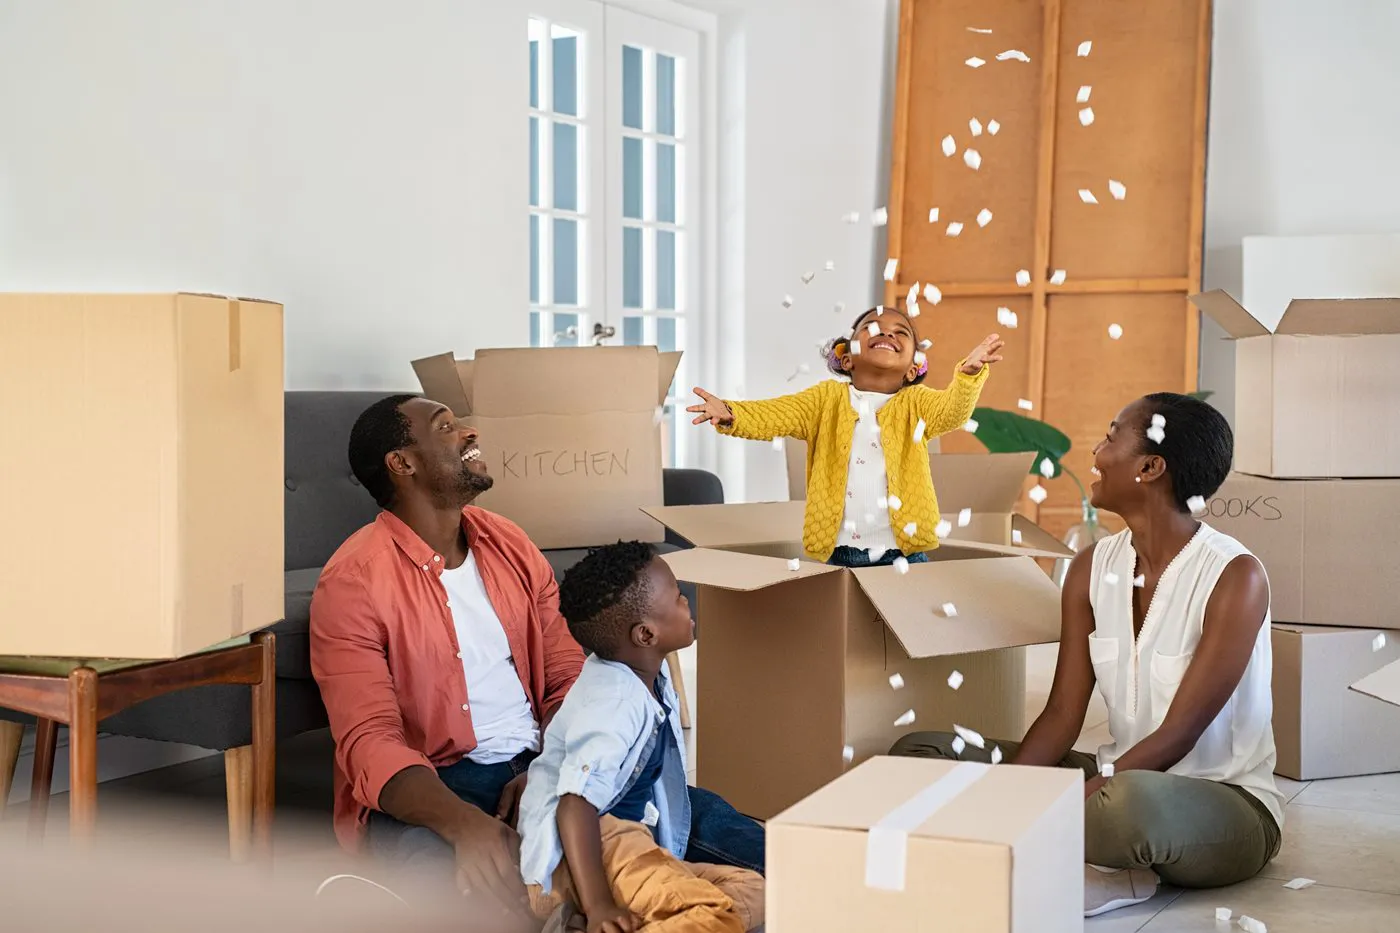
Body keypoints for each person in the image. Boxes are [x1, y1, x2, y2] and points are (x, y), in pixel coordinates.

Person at [889, 392, 1284, 917]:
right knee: (923, 755)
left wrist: (1050, 808)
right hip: (1113, 780)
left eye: (1111, 436)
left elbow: (1178, 735)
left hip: (1219, 801)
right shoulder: (1090, 567)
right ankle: (1092, 860)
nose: (1095, 452)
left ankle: (1087, 856)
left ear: (1150, 466)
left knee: (1124, 806)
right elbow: (1061, 714)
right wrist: (1009, 797)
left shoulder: (1235, 576)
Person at [310, 394, 585, 929]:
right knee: (472, 903)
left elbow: (567, 676)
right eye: (446, 427)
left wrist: (553, 769)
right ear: (402, 462)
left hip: (539, 764)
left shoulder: (512, 545)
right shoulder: (353, 582)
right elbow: (370, 741)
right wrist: (465, 825)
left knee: (698, 828)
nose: (470, 432)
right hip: (438, 789)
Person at [518, 542, 765, 933]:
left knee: (754, 890)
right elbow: (575, 806)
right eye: (679, 597)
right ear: (646, 634)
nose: (688, 603)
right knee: (711, 916)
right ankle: (596, 918)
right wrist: (599, 904)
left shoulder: (642, 674)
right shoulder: (614, 703)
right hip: (592, 849)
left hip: (626, 843)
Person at [687, 306, 1002, 567]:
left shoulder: (916, 403)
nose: (887, 333)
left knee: (908, 633)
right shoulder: (825, 400)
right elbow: (777, 414)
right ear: (847, 357)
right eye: (872, 328)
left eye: (900, 332)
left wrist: (968, 376)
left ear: (912, 369)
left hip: (904, 552)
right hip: (840, 553)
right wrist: (732, 413)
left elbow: (952, 411)